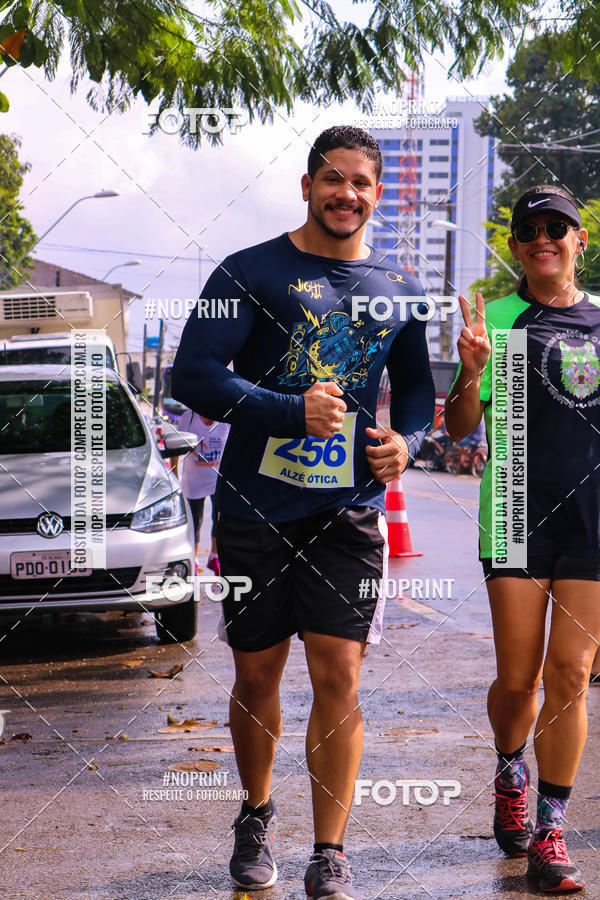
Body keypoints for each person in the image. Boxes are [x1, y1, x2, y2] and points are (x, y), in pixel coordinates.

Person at [172, 125, 435, 899]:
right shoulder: (248, 271)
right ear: (307, 184)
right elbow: (195, 373)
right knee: (256, 675)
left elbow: (415, 390)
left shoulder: (399, 284)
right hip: (254, 509)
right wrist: (289, 411)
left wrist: (409, 442)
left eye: (360, 182)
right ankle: (255, 816)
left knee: (340, 676)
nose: (345, 194)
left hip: (348, 514)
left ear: (376, 193)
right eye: (332, 179)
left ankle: (331, 849)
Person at [445, 184, 600, 894]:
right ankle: (511, 764)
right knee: (521, 679)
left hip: (592, 517)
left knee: (571, 676)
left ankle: (550, 829)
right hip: (515, 512)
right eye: (530, 229)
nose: (544, 237)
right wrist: (472, 373)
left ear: (580, 241)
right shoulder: (499, 321)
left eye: (557, 228)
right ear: (516, 246)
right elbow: (459, 428)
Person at [173, 409, 229, 574]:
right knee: (196, 521)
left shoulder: (226, 419)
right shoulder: (189, 418)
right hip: (193, 481)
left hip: (217, 480)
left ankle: (214, 557)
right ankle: (194, 560)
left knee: (220, 519)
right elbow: (175, 447)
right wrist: (174, 475)